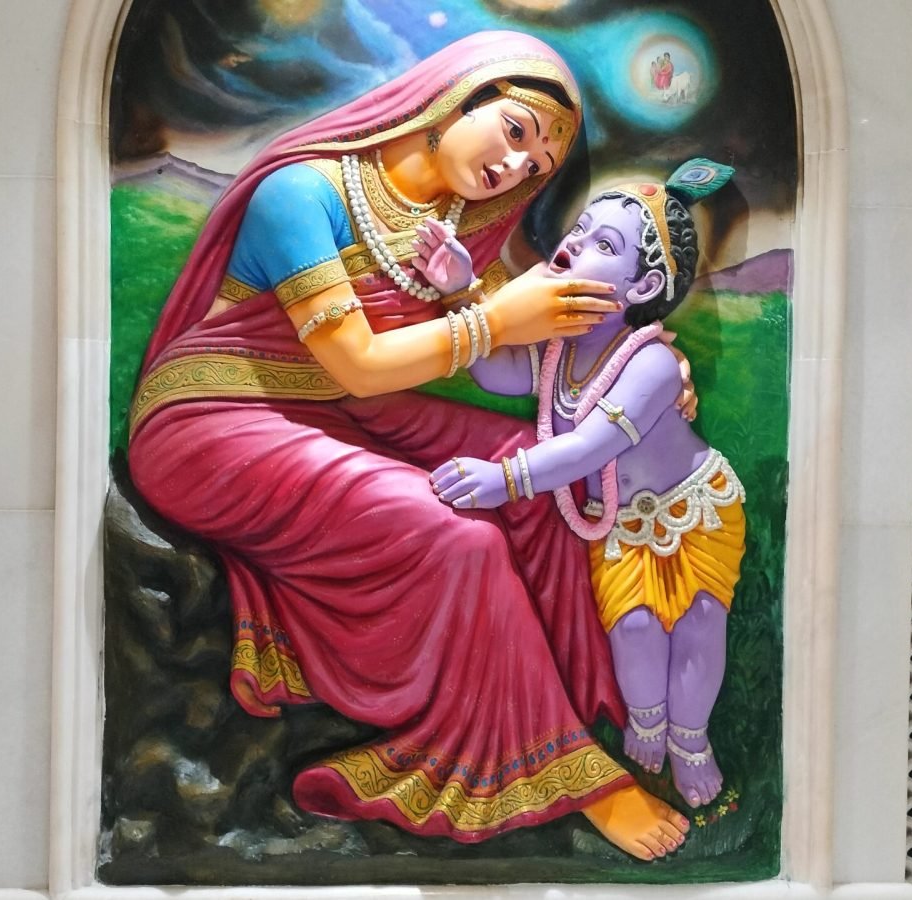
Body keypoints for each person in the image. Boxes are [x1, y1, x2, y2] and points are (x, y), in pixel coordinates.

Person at [127, 31, 692, 860]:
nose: (518, 167)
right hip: (210, 421)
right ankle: (556, 772)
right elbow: (358, 363)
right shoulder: (301, 193)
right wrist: (495, 319)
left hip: (336, 410)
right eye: (515, 130)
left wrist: (649, 364)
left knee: (531, 467)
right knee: (458, 538)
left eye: (537, 165)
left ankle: (568, 706)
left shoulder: (461, 218)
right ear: (453, 98)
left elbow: (562, 331)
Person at [429, 160, 743, 810]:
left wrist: (504, 480)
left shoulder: (653, 362)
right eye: (581, 229)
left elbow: (589, 446)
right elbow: (501, 377)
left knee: (699, 624)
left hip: (697, 509)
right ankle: (648, 720)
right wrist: (462, 292)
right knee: (632, 629)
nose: (576, 243)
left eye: (606, 245)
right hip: (622, 520)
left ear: (644, 284)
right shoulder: (557, 345)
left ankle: (691, 738)